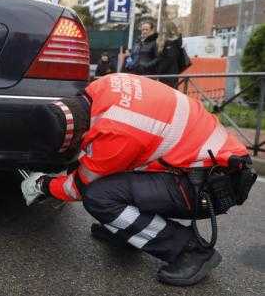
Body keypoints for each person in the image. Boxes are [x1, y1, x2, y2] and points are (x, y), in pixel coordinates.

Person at [21, 73, 254, 286]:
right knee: (114, 181)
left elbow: (79, 188)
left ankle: (191, 250)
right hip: (209, 163)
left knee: (99, 197)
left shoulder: (116, 134)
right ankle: (127, 231)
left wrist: (43, 185)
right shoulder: (102, 86)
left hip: (211, 184)